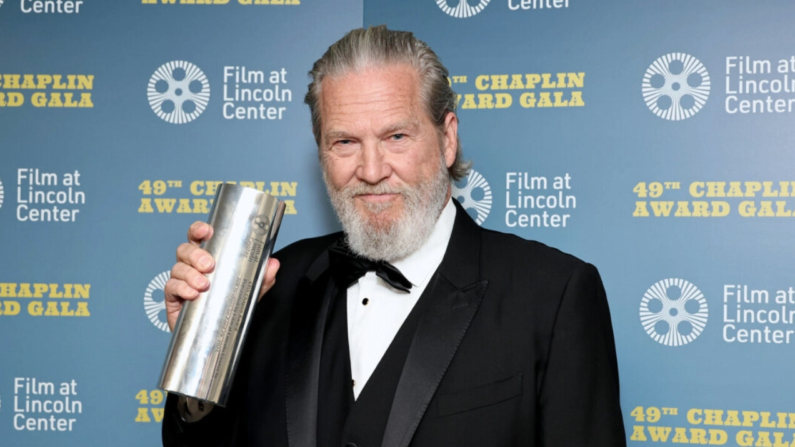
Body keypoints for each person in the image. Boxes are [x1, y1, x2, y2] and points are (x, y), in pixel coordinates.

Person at [162, 25, 626, 447]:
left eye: (396, 137)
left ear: (447, 139)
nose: (371, 170)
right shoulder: (272, 285)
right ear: (322, 153)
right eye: (345, 142)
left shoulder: (554, 294)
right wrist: (203, 357)